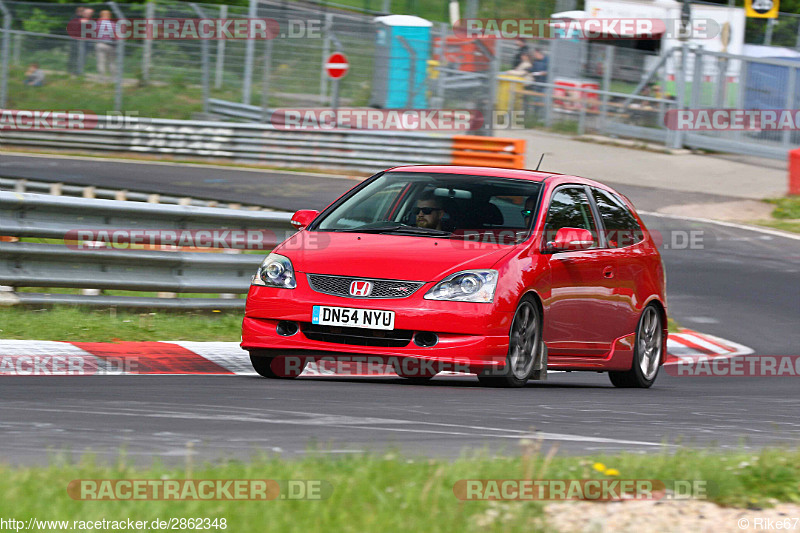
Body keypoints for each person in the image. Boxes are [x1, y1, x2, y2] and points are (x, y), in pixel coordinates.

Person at [95, 10, 116, 83]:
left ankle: (102, 79)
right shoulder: (113, 24)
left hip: (100, 44)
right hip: (110, 45)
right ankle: (113, 79)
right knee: (111, 62)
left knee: (101, 62)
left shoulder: (97, 23)